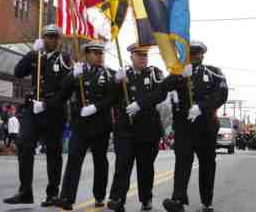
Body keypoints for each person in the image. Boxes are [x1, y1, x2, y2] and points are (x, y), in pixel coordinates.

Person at [145, 41, 228, 212]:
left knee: (207, 165)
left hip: (206, 127)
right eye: (190, 53)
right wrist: (179, 76)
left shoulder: (214, 72)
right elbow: (161, 90)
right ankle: (178, 200)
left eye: (196, 53)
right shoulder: (178, 73)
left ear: (202, 55)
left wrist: (201, 107)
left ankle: (207, 201)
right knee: (182, 163)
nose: (193, 56)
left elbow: (222, 94)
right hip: (184, 127)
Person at [3, 24, 71, 207]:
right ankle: (25, 191)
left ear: (58, 40)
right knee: (24, 144)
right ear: (43, 38)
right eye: (49, 37)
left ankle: (52, 193)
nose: (52, 40)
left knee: (53, 152)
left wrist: (47, 104)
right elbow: (18, 72)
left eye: (55, 37)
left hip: (53, 111)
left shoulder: (63, 59)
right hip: (33, 109)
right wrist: (32, 53)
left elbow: (66, 90)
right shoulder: (36, 57)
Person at [55, 41, 115, 210]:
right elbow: (63, 93)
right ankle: (66, 197)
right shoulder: (78, 73)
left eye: (101, 53)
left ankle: (99, 195)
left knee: (100, 162)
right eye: (95, 53)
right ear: (86, 55)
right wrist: (72, 76)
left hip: (100, 126)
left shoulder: (109, 74)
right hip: (80, 125)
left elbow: (113, 97)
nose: (99, 56)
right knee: (73, 160)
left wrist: (96, 106)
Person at [107, 43, 165, 212]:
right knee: (123, 164)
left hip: (148, 128)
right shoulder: (124, 74)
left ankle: (146, 198)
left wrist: (140, 104)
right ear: (131, 56)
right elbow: (111, 97)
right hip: (126, 128)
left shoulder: (155, 73)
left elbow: (160, 94)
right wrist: (116, 81)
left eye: (145, 55)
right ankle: (117, 198)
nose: (143, 58)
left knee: (145, 167)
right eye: (139, 55)